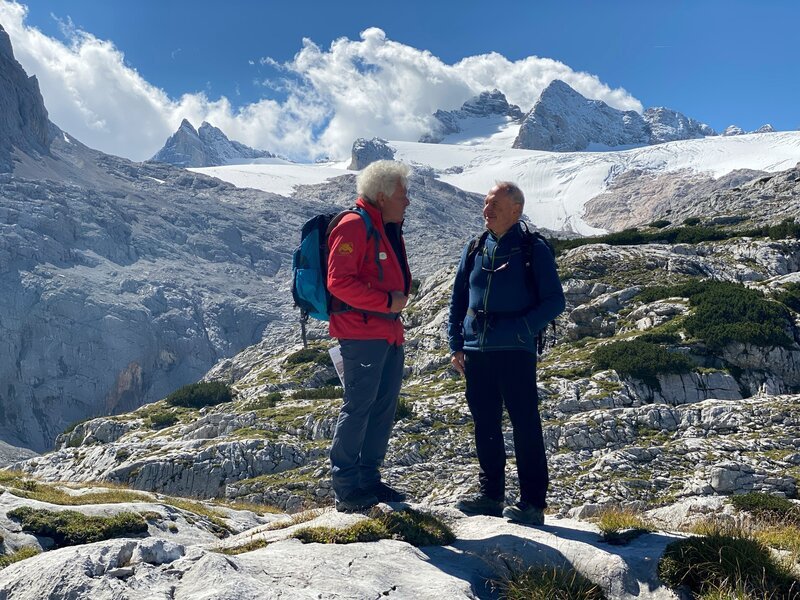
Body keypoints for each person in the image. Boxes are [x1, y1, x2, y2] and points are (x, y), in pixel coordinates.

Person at [448, 182, 565, 525]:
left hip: (515, 350)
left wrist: (521, 330)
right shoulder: (473, 247)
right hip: (476, 351)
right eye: (485, 204)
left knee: (524, 424)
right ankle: (490, 496)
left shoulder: (533, 248)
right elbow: (458, 300)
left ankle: (532, 504)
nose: (486, 210)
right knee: (485, 423)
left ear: (515, 209)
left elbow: (554, 301)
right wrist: (456, 344)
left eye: (493, 204)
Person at [327, 160, 412, 512]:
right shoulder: (353, 226)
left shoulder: (384, 227)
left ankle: (369, 479)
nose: (407, 201)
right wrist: (385, 302)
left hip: (387, 332)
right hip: (362, 333)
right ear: (381, 195)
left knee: (382, 407)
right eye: (402, 194)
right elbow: (339, 282)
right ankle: (346, 487)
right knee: (360, 406)